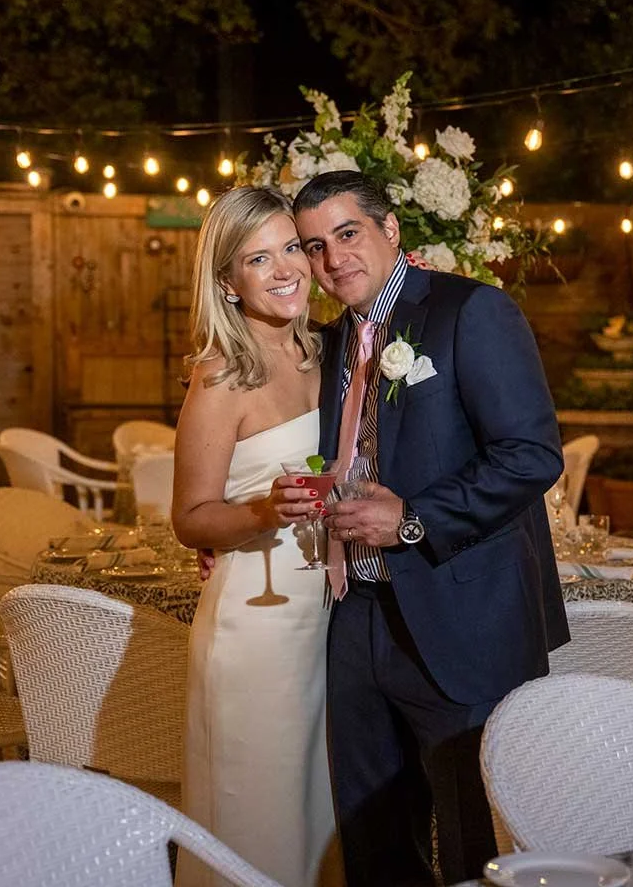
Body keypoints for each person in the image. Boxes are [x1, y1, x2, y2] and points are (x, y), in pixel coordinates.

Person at [278, 170, 570, 887]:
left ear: (391, 230)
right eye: (314, 247)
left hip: (461, 613)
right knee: (373, 837)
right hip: (357, 616)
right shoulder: (332, 343)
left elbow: (532, 455)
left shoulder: (471, 311)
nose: (332, 259)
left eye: (347, 234)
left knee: (476, 838)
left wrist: (413, 519)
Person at [171, 186, 338, 887]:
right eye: (257, 258)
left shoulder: (332, 356)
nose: (284, 269)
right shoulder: (219, 377)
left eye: (292, 248)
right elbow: (190, 519)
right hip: (256, 628)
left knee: (320, 810)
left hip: (330, 617)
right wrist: (264, 513)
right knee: (258, 811)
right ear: (228, 284)